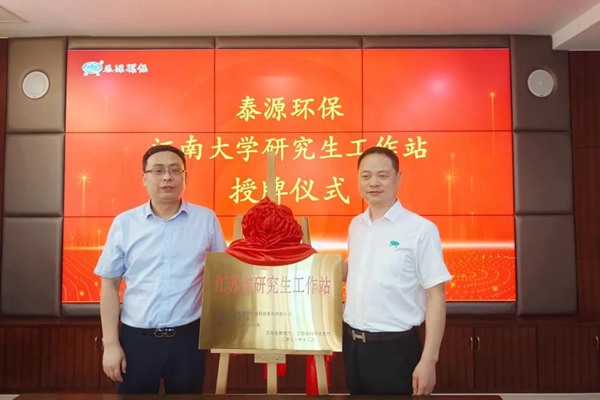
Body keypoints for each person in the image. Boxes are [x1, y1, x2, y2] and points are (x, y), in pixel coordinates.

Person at [95, 144, 227, 394]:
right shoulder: (125, 223)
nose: (167, 177)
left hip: (188, 339)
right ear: (144, 178)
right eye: (158, 170)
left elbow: (221, 276)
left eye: (175, 170)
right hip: (137, 340)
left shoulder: (206, 220)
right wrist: (110, 344)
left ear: (185, 177)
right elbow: (110, 285)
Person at [342, 146, 451, 396]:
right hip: (352, 346)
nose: (373, 182)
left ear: (398, 178)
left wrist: (429, 360)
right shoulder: (356, 225)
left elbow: (436, 295)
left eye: (382, 175)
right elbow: (354, 270)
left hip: (395, 349)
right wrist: (311, 261)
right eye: (366, 176)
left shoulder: (421, 229)